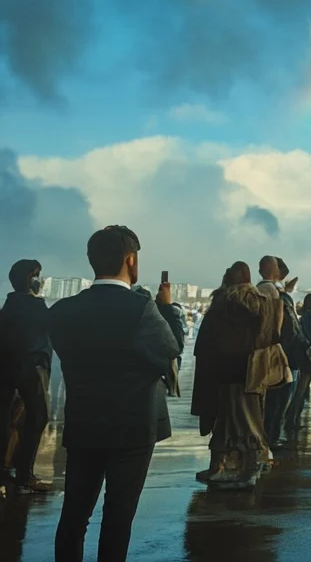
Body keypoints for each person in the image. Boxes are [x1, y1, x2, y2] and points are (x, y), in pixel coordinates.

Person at [51, 226, 186, 562]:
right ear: (131, 260)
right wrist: (167, 308)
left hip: (83, 422)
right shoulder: (140, 307)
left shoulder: (63, 311)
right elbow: (171, 348)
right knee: (118, 516)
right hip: (132, 427)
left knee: (74, 515)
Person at [191, 262, 284, 492]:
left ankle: (230, 468)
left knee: (230, 421)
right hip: (252, 371)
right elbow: (273, 336)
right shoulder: (263, 303)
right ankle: (247, 468)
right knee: (247, 419)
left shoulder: (224, 302)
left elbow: (209, 340)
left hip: (225, 371)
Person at [0, 259, 53, 494]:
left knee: (3, 418)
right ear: (31, 280)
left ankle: (4, 472)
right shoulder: (37, 308)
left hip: (5, 367)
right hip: (32, 368)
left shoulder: (8, 307)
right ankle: (24, 473)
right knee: (38, 417)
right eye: (39, 276)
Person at [259, 256, 302, 448]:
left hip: (274, 353)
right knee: (277, 400)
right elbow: (287, 328)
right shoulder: (273, 293)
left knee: (273, 401)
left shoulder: (266, 290)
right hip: (279, 355)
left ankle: (270, 435)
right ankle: (271, 436)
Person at [285, 293, 311, 429]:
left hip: (303, 355)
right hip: (308, 356)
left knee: (301, 389)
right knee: (301, 389)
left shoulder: (304, 316)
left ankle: (292, 419)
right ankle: (292, 420)